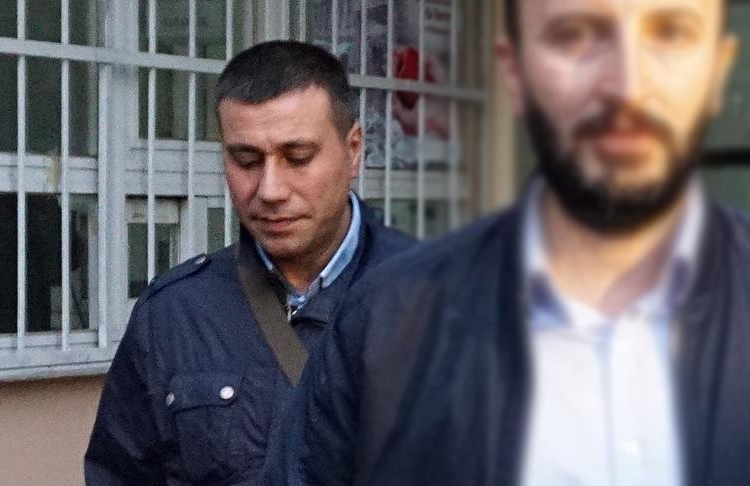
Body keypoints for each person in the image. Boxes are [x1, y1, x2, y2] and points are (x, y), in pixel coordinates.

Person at [266, 0, 746, 484]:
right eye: (576, 36)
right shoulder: (383, 323)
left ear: (717, 70)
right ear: (515, 75)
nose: (627, 86)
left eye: (671, 34)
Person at [84, 40, 415, 485]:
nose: (270, 190)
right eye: (247, 160)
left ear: (353, 149)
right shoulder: (172, 315)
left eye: (298, 158)